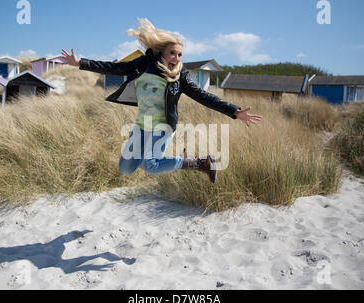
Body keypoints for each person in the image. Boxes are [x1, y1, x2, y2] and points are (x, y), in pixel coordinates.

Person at [62, 18, 262, 184]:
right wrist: (81, 63)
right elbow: (116, 68)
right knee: (125, 168)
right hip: (142, 125)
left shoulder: (180, 75)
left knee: (151, 165)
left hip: (163, 125)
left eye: (180, 54)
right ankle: (179, 160)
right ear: (161, 52)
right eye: (172, 53)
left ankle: (201, 163)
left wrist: (235, 111)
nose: (176, 58)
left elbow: (204, 96)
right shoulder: (144, 63)